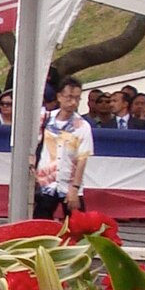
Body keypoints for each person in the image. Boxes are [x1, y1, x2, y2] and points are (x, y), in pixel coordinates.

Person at [32, 76, 93, 220]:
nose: (73, 102)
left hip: (68, 182)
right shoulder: (45, 118)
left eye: (77, 98)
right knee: (40, 224)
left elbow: (82, 159)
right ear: (59, 97)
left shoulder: (82, 126)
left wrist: (75, 187)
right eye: (69, 97)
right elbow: (33, 145)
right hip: (45, 182)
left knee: (78, 225)